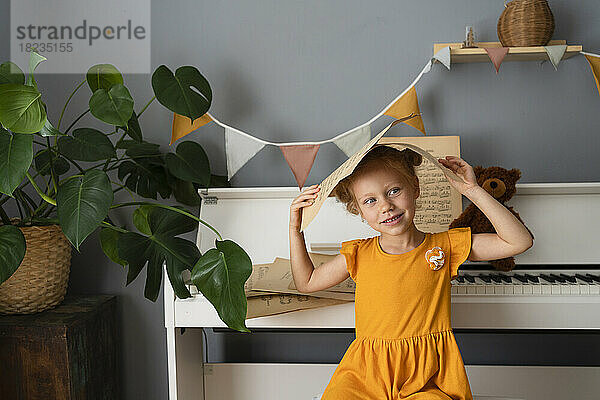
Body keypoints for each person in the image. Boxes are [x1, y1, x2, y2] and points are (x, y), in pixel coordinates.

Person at [288, 145, 533, 400]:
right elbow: (306, 282)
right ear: (358, 210)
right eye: (370, 201)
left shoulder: (445, 246)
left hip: (426, 376)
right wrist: (296, 229)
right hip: (366, 374)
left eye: (394, 191)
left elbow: (518, 242)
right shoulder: (359, 253)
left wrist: (473, 190)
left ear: (415, 187)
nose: (386, 206)